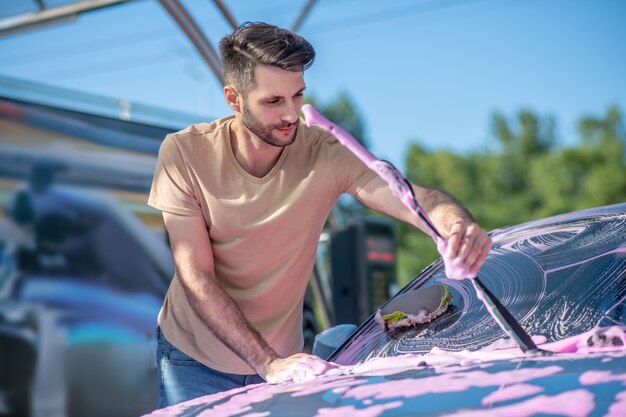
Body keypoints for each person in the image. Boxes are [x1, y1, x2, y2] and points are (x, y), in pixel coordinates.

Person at [148, 21, 492, 407]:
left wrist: (455, 226)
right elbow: (195, 274)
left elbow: (411, 198)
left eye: (297, 96)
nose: (292, 114)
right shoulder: (184, 154)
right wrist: (267, 362)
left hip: (286, 361)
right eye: (273, 101)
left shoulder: (324, 152)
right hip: (193, 359)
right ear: (234, 98)